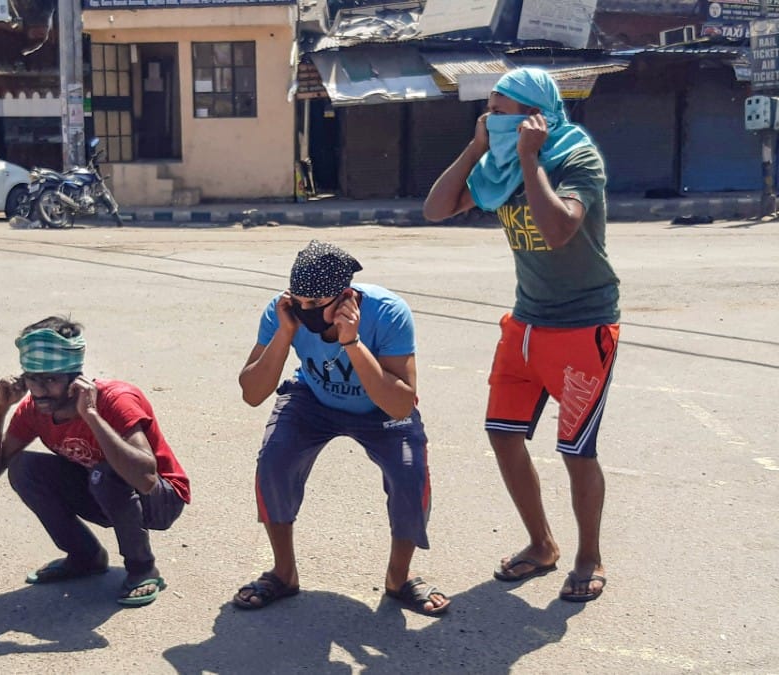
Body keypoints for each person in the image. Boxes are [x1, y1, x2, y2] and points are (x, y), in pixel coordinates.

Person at [422, 67, 620, 602]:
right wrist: (475, 147)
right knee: (502, 434)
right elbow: (436, 208)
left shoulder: (575, 157)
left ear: (536, 115)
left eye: (500, 109)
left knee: (577, 451)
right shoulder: (498, 167)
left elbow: (558, 232)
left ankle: (589, 555)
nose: (490, 118)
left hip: (583, 324)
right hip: (526, 322)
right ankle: (542, 545)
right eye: (486, 109)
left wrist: (532, 158)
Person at [233, 241, 449, 616]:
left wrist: (351, 341)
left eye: (316, 305)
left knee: (410, 474)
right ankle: (284, 573)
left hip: (379, 409)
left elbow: (400, 402)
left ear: (346, 296)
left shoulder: (388, 312)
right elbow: (252, 393)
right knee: (274, 460)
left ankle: (399, 577)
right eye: (298, 301)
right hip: (313, 398)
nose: (306, 312)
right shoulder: (284, 312)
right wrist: (285, 334)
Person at [0, 317, 190, 606]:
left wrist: (91, 415)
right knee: (23, 467)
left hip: (159, 499)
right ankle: (85, 556)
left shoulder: (115, 400)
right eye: (32, 378)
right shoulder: (33, 410)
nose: (39, 390)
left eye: (51, 380)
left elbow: (146, 477)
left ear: (75, 378)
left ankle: (142, 568)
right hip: (102, 492)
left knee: (106, 474)